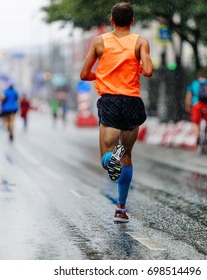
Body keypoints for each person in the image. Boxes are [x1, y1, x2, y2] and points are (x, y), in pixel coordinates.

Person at [80, 2, 154, 223]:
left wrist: (103, 75)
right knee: (126, 154)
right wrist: (137, 64)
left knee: (107, 155)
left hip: (110, 101)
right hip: (132, 102)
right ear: (132, 21)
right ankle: (121, 209)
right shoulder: (141, 42)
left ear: (112, 20)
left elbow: (84, 74)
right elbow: (149, 71)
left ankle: (110, 159)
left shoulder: (100, 42)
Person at [185, 70, 207, 147]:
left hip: (197, 104)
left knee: (195, 122)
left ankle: (199, 135)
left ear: (198, 76)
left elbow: (189, 96)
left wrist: (188, 105)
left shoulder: (194, 83)